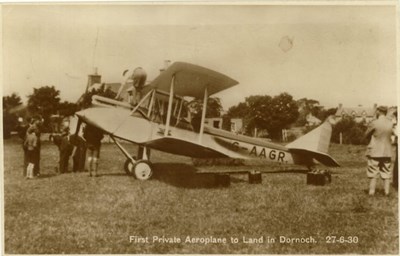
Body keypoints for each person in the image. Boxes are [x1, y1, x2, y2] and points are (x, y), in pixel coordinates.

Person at [365, 106, 394, 196]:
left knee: (373, 171)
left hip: (375, 151)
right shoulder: (390, 123)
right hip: (387, 151)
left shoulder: (374, 123)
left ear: (379, 111)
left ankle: (371, 192)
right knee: (386, 171)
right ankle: (387, 192)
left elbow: (366, 135)